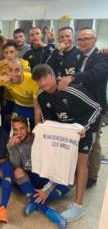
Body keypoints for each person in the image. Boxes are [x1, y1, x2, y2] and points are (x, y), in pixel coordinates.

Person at [32, 64, 102, 222]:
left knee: (81, 163)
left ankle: (78, 206)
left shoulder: (71, 89)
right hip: (66, 131)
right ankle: (52, 185)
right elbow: (49, 119)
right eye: (38, 81)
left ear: (52, 75)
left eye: (44, 78)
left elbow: (97, 109)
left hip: (85, 128)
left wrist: (85, 126)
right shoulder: (42, 96)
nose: (42, 83)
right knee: (59, 157)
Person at [58, 28, 108, 188]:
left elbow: (94, 74)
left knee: (94, 142)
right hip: (79, 105)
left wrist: (72, 77)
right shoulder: (80, 56)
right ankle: (79, 170)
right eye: (79, 39)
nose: (82, 42)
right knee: (80, 137)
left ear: (95, 39)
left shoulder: (102, 56)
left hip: (95, 107)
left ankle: (92, 176)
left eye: (86, 39)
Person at [8, 116, 69, 229]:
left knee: (71, 178)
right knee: (17, 172)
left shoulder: (39, 140)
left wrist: (46, 190)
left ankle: (33, 200)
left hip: (47, 175)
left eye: (21, 128)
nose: (18, 132)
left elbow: (55, 167)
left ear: (28, 128)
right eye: (15, 129)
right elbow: (16, 165)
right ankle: (48, 212)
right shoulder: (12, 142)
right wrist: (11, 148)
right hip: (31, 177)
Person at [0, 58, 41, 130]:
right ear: (6, 71)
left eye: (17, 70)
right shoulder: (5, 79)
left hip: (33, 107)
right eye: (10, 70)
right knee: (18, 129)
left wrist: (38, 129)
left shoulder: (32, 81)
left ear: (22, 71)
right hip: (19, 106)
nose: (13, 74)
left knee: (35, 129)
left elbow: (37, 108)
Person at [0, 41, 31, 133]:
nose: (9, 55)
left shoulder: (24, 63)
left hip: (22, 99)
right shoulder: (1, 64)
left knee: (21, 124)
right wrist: (0, 69)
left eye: (11, 52)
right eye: (6, 53)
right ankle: (5, 144)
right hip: (7, 98)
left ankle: (22, 143)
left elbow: (28, 77)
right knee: (6, 122)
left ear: (16, 52)